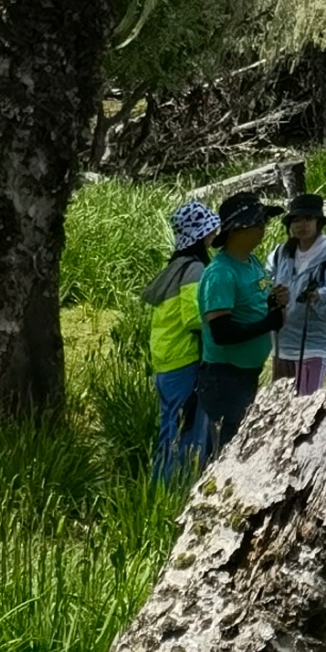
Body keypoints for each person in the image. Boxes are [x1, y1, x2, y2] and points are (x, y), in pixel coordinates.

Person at [190, 189, 281, 457]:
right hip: (224, 377)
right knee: (223, 447)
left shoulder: (252, 263)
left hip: (246, 372)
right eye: (258, 223)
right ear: (238, 230)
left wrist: (274, 303)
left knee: (240, 440)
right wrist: (268, 323)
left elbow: (255, 302)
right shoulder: (220, 274)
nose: (263, 229)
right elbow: (222, 332)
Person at [142, 194, 217, 482]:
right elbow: (194, 318)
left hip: (166, 363)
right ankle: (177, 490)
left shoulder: (175, 266)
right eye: (210, 229)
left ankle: (158, 490)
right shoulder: (195, 269)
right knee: (186, 432)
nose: (214, 234)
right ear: (202, 234)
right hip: (185, 361)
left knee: (169, 429)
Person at [268, 191, 326, 395]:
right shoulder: (281, 253)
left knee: (305, 407)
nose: (301, 225)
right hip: (281, 345)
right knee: (280, 408)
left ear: (318, 222)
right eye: (295, 219)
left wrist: (319, 297)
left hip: (314, 345)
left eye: (308, 218)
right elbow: (263, 283)